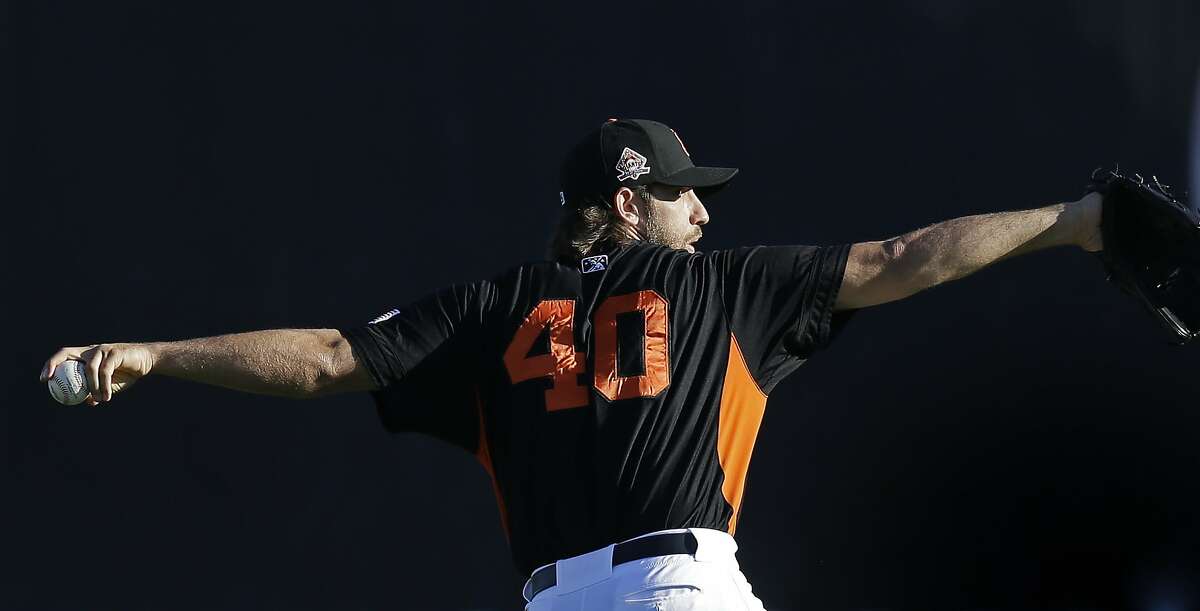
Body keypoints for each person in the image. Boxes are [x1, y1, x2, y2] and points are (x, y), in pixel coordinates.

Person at [39, 118, 1103, 609]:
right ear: (629, 201)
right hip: (677, 583)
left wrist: (155, 353)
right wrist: (1074, 221)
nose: (703, 209)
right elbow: (901, 258)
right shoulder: (716, 283)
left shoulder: (494, 306)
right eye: (687, 190)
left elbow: (325, 358)